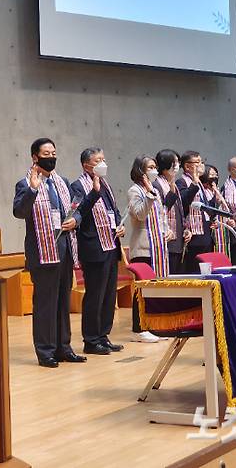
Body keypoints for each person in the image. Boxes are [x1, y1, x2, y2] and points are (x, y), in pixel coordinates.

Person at [13, 138, 95, 368]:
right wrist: (33, 189)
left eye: (54, 152)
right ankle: (45, 351)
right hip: (42, 251)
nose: (51, 157)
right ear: (35, 157)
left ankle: (64, 347)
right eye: (46, 153)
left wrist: (75, 220)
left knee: (62, 301)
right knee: (45, 303)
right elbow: (19, 212)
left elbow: (75, 210)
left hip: (64, 249)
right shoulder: (25, 184)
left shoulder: (62, 182)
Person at [71, 147, 126, 355]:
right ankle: (91, 340)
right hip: (93, 246)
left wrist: (120, 225)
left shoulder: (106, 184)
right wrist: (93, 192)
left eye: (104, 159)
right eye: (98, 160)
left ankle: (103, 335)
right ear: (87, 165)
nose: (103, 163)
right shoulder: (78, 185)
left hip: (111, 244)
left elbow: (114, 210)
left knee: (109, 294)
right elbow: (78, 212)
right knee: (95, 294)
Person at [127, 155, 171, 343]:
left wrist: (167, 229)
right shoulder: (134, 190)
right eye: (150, 167)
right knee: (142, 288)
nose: (154, 170)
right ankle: (139, 328)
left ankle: (155, 325)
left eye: (155, 167)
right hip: (144, 245)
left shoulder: (155, 190)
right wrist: (149, 195)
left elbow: (162, 216)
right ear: (141, 171)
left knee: (157, 287)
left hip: (159, 245)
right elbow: (139, 214)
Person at [153, 149, 191, 274]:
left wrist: (185, 229)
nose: (177, 166)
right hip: (167, 240)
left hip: (178, 241)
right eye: (174, 163)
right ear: (165, 165)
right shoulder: (157, 185)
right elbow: (161, 210)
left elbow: (180, 211)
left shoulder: (172, 183)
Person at [176, 151, 213, 273]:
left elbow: (204, 207)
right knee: (194, 272)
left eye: (202, 162)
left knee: (206, 272)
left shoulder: (200, 183)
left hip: (205, 233)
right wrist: (195, 183)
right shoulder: (181, 182)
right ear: (187, 166)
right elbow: (183, 202)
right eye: (198, 162)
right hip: (193, 237)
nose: (201, 165)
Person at [200, 165, 235, 258]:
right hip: (212, 232)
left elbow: (224, 211)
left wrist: (228, 221)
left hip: (223, 231)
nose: (214, 177)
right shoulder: (204, 191)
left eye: (216, 175)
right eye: (211, 174)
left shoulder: (217, 191)